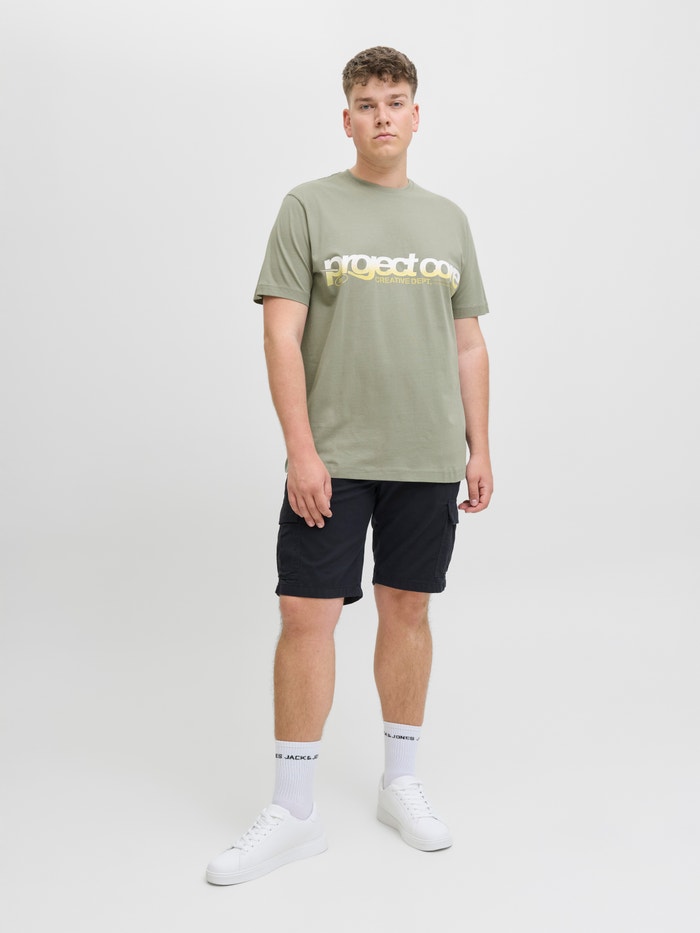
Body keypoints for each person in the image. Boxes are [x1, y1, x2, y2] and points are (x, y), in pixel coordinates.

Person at [206, 45, 492, 886]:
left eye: (395, 102)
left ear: (416, 116)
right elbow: (280, 334)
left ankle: (400, 783)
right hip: (333, 458)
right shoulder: (308, 206)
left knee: (408, 609)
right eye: (367, 103)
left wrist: (480, 445)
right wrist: (302, 449)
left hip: (427, 455)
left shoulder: (448, 220)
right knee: (306, 614)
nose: (382, 116)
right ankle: (294, 810)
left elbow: (469, 343)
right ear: (347, 119)